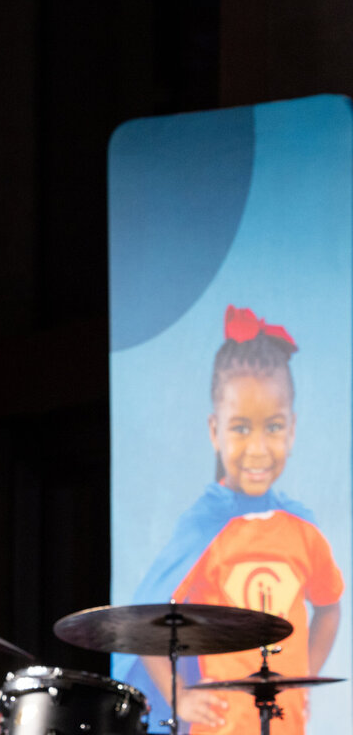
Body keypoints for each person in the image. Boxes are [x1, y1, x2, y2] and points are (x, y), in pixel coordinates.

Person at [116, 305, 343, 734]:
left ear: (292, 430)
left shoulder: (303, 529)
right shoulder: (206, 530)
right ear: (213, 430)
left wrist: (302, 678)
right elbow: (145, 624)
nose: (257, 449)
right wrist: (180, 696)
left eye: (273, 427)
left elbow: (329, 608)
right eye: (240, 428)